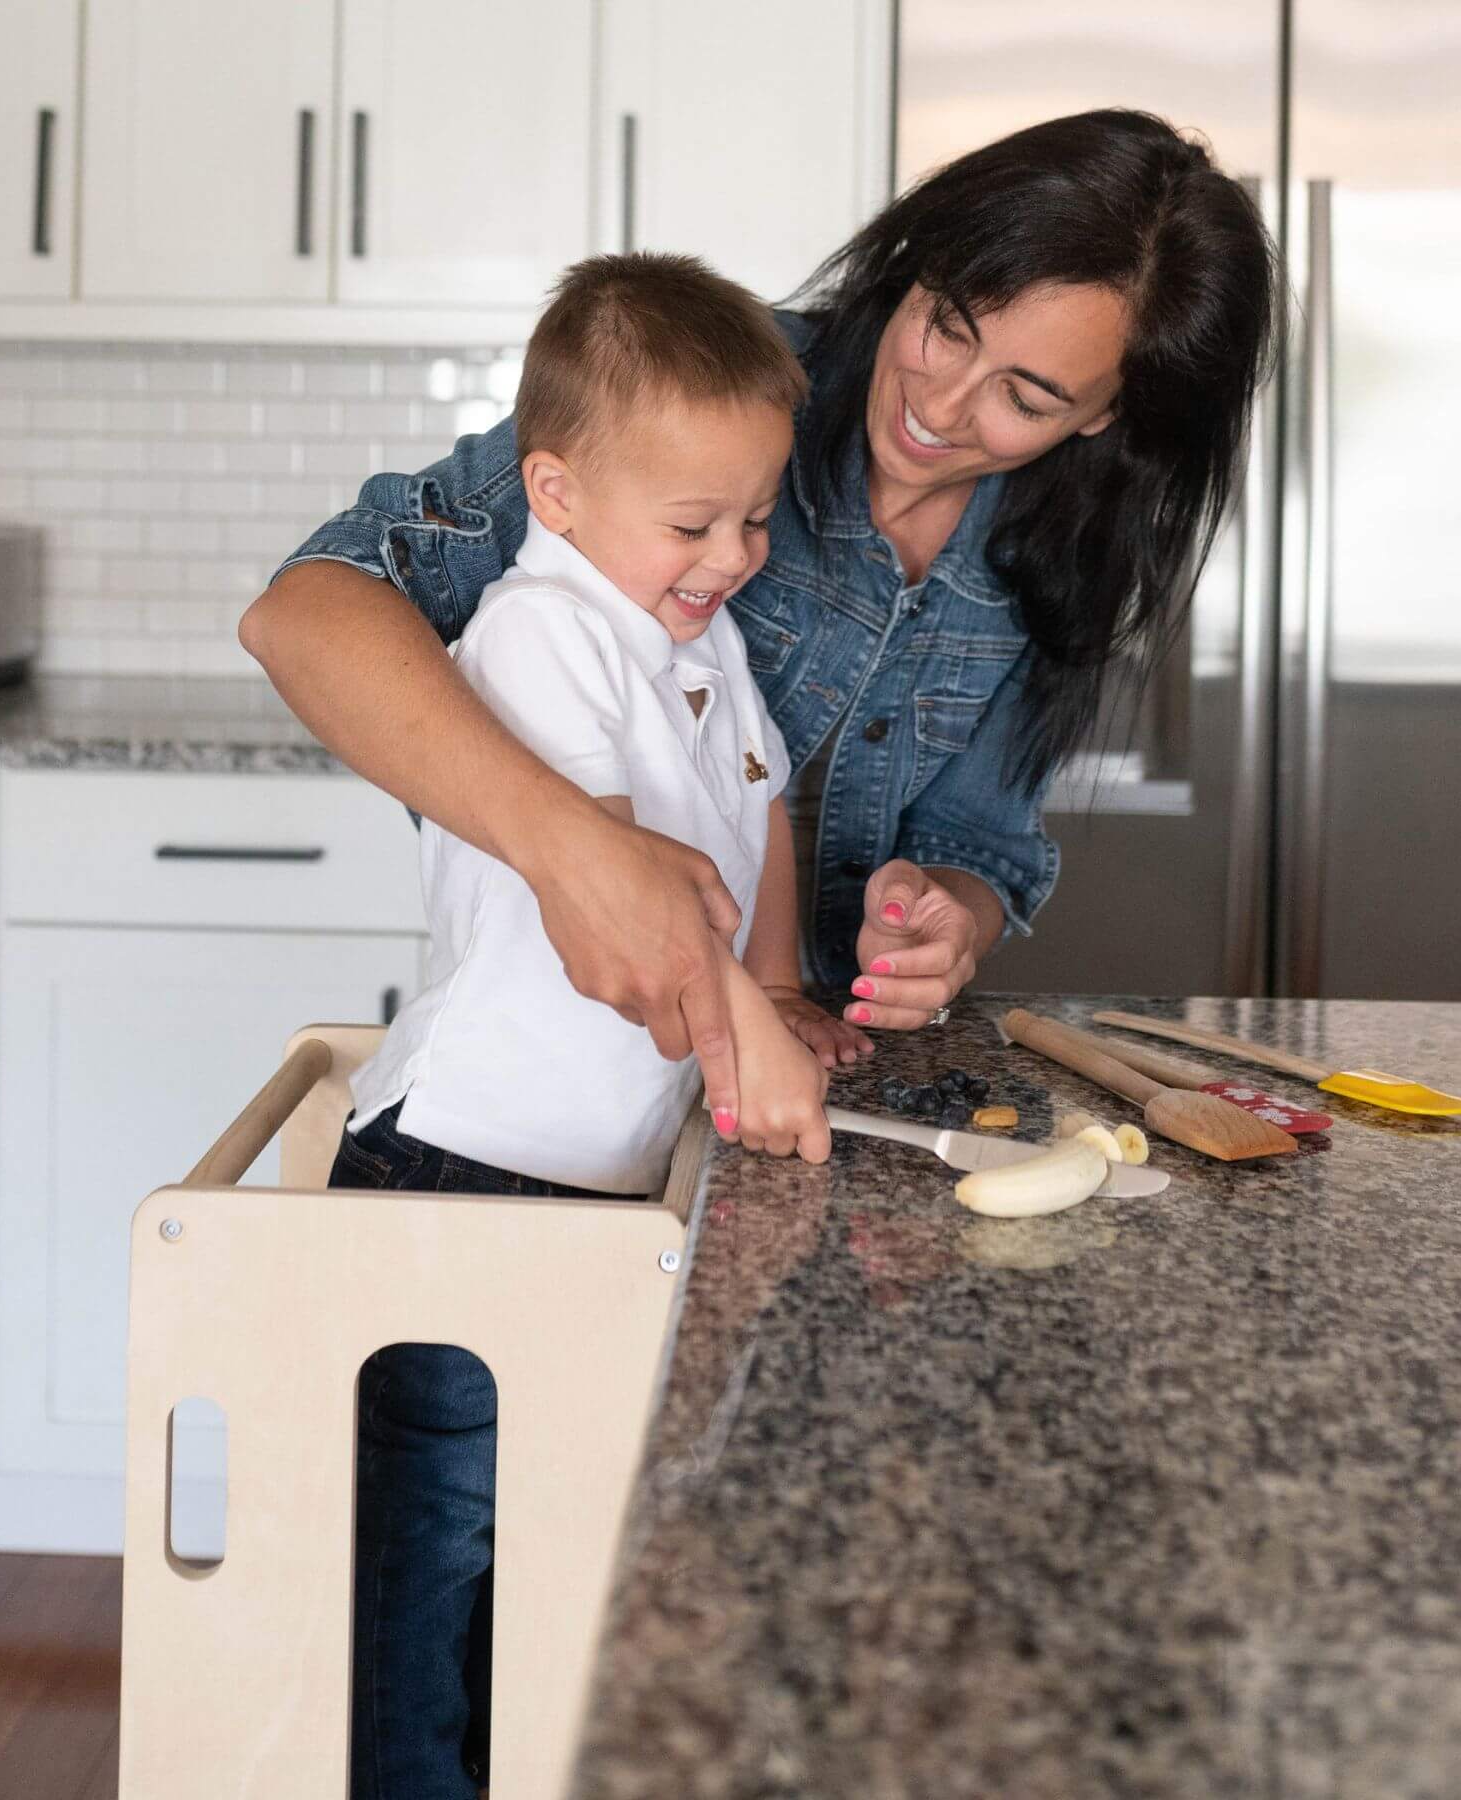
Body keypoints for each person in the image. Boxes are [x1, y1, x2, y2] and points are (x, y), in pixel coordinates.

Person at [242, 110, 1281, 1134]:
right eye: (949, 325)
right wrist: (580, 856)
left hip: (794, 1069)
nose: (944, 403)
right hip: (574, 1069)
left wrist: (945, 921)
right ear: (917, 265)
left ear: (1105, 411)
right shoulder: (708, 395)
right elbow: (306, 614)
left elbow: (977, 844)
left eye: (1027, 394)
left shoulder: (1064, 544)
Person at [327, 251, 851, 1800]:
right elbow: (629, 901)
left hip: (590, 1184)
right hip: (463, 1176)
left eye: (755, 518)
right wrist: (736, 1027)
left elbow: (757, 831)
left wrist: (784, 1002)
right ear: (551, 493)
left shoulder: (705, 646)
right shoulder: (538, 634)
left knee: (550, 1549)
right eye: (693, 524)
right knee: (436, 1564)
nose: (735, 555)